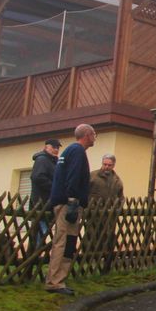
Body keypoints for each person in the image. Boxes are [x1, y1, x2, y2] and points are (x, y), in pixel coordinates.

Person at [44, 124, 96, 295]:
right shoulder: (77, 152)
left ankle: (59, 279)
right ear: (87, 135)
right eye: (94, 134)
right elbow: (73, 176)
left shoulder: (69, 151)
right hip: (68, 203)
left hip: (65, 201)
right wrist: (73, 200)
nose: (95, 137)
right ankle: (54, 281)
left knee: (69, 241)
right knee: (64, 241)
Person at [88, 153, 124, 272]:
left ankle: (106, 263)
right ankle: (90, 261)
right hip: (93, 214)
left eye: (109, 165)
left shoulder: (117, 181)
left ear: (113, 165)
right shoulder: (92, 176)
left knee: (108, 239)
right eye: (105, 164)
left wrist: (118, 207)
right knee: (92, 237)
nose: (106, 167)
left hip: (109, 216)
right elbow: (84, 191)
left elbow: (121, 197)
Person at [29, 138, 60, 250]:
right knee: (40, 229)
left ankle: (37, 250)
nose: (56, 150)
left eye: (57, 148)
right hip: (41, 201)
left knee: (44, 228)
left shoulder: (54, 161)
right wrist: (54, 187)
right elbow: (37, 177)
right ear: (46, 147)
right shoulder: (42, 160)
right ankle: (35, 252)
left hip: (49, 202)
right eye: (53, 147)